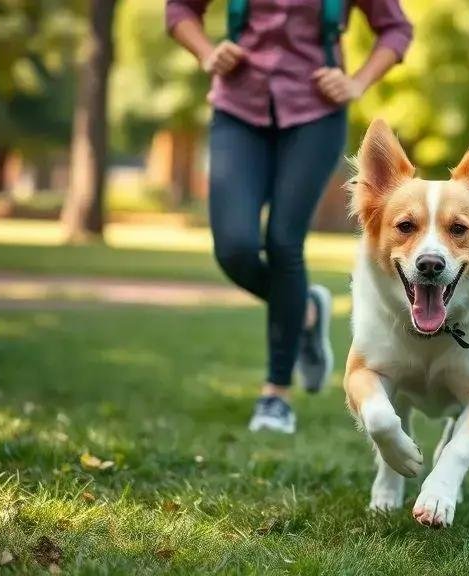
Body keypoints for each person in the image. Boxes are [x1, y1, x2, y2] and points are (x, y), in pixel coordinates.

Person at [166, 0, 413, 434]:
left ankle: (275, 396)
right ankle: (306, 312)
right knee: (235, 247)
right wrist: (206, 51)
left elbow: (395, 29)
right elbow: (180, 10)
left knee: (283, 243)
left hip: (315, 111)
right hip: (238, 106)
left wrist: (356, 83)